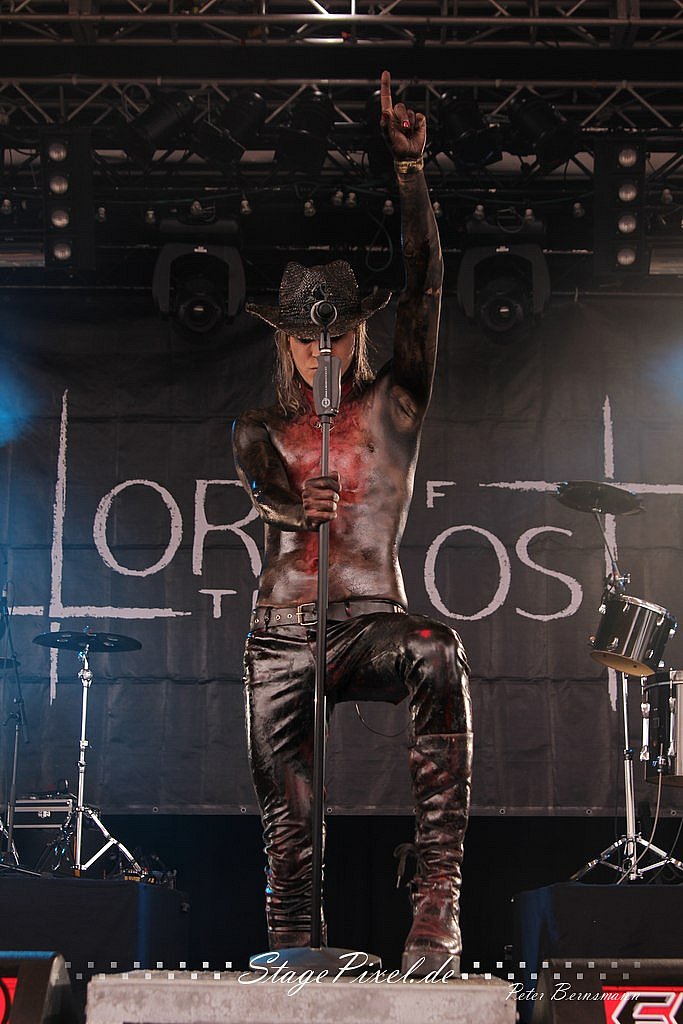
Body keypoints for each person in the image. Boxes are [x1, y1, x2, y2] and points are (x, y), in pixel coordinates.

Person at [232, 70, 472, 975]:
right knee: (289, 831)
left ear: (354, 335)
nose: (318, 351)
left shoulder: (393, 405)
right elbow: (263, 491)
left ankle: (436, 903)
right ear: (285, 341)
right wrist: (299, 505)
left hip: (369, 622)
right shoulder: (259, 426)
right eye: (304, 338)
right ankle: (293, 969)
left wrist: (409, 171)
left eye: (330, 337)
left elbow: (426, 285)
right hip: (280, 632)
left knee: (436, 652)